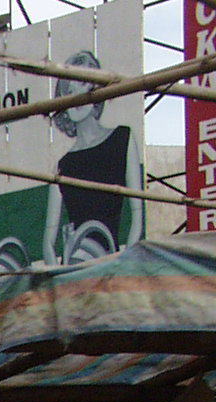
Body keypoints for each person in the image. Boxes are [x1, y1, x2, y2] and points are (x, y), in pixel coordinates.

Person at [42, 50, 141, 265]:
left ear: (96, 91)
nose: (76, 97)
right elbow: (48, 242)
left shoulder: (122, 138)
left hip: (110, 260)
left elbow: (137, 216)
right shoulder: (63, 165)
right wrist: (60, 275)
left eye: (83, 85)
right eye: (69, 91)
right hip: (76, 264)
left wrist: (123, 265)